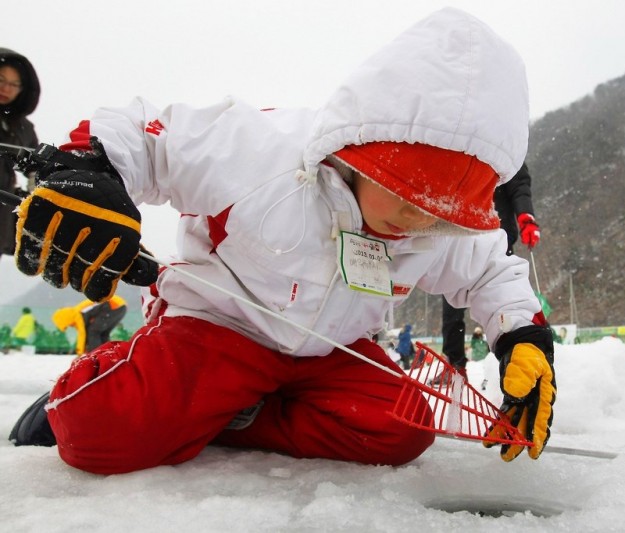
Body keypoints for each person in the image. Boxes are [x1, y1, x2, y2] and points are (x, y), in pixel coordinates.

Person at [9, 8, 555, 472]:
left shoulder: (434, 226)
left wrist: (522, 339)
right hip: (220, 330)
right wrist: (93, 166)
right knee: (98, 434)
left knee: (400, 433)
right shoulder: (262, 150)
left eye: (438, 213)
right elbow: (153, 137)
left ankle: (232, 416)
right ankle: (113, 383)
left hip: (331, 352)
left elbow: (488, 270)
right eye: (406, 195)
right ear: (365, 149)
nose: (416, 222)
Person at [439, 162, 540, 381]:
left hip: (496, 233)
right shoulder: (458, 139)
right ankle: (455, 365)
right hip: (460, 233)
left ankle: (518, 364)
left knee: (507, 300)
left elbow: (519, 183)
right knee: (451, 310)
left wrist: (525, 215)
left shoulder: (504, 143)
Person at [0, 48, 40, 259]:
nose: (6, 88)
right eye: (1, 79)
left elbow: (36, 166)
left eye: (14, 84)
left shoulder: (22, 129)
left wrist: (33, 196)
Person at [51, 295, 127, 354]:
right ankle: (107, 353)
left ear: (67, 319)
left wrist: (80, 352)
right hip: (120, 307)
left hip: (113, 305)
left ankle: (96, 355)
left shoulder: (79, 315)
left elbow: (82, 334)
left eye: (68, 325)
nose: (71, 326)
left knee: (94, 331)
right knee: (103, 333)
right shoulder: (79, 313)